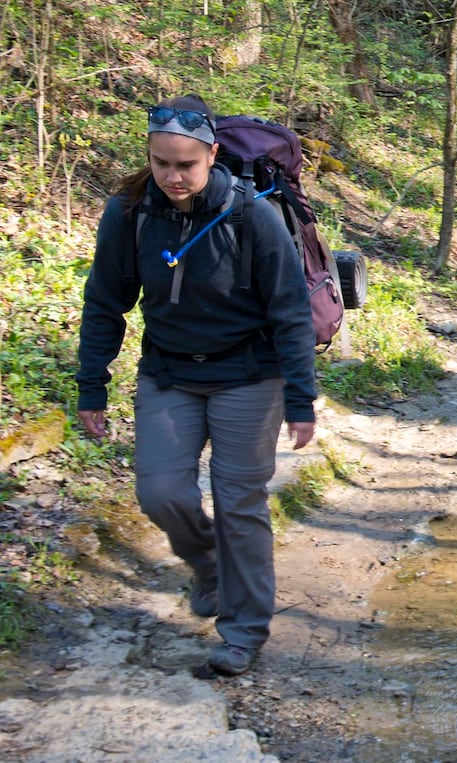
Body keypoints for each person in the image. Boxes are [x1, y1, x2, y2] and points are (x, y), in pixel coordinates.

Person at [75, 95, 317, 677]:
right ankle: (209, 566)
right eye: (162, 163)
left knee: (240, 504)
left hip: (249, 376)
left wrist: (299, 398)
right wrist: (92, 384)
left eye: (186, 164)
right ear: (150, 157)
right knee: (161, 493)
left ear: (212, 154)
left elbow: (288, 309)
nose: (173, 177)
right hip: (169, 373)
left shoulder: (251, 214)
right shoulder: (130, 211)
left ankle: (243, 632)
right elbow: (106, 301)